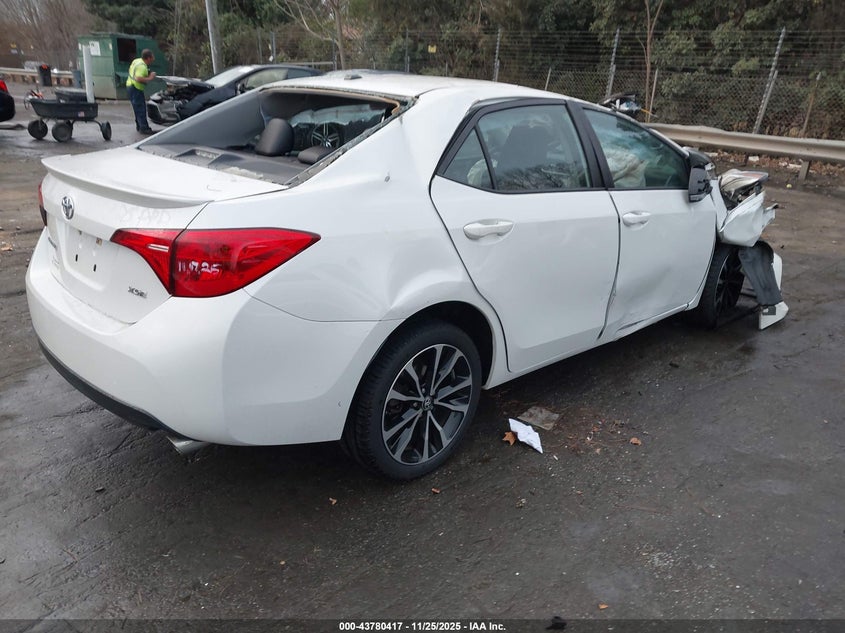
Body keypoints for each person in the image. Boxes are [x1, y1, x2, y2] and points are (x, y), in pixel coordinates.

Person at [126, 49, 157, 135]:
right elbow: (138, 78)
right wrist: (150, 78)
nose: (153, 59)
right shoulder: (142, 67)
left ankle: (139, 126)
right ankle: (144, 128)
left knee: (136, 108)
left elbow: (131, 70)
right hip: (136, 88)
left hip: (130, 86)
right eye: (152, 57)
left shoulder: (137, 61)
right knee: (141, 108)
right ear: (148, 58)